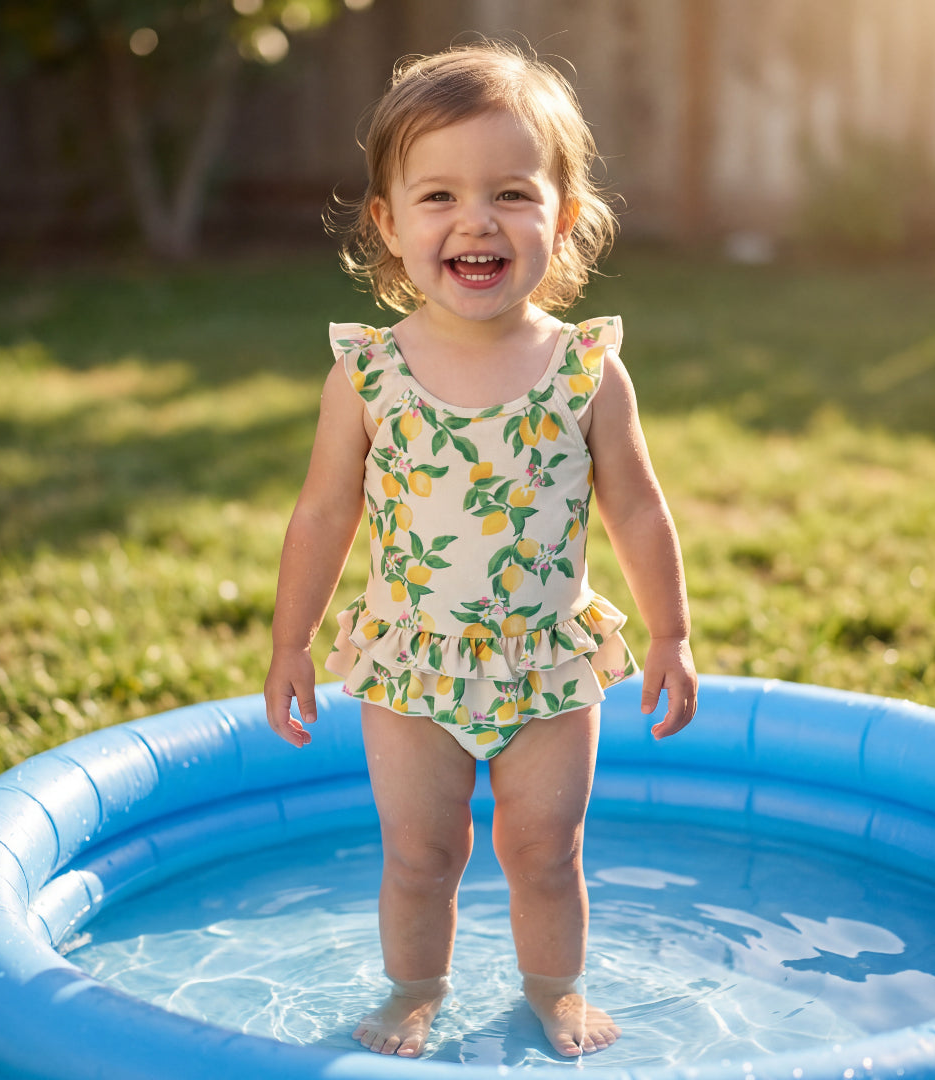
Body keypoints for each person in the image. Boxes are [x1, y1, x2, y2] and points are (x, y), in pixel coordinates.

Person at [264, 40, 698, 1060]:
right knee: (422, 854)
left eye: (512, 192)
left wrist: (671, 632)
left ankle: (553, 991)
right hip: (410, 662)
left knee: (546, 851)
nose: (477, 221)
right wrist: (293, 641)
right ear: (388, 223)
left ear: (566, 214)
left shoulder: (586, 369)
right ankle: (416, 990)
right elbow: (323, 514)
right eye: (440, 196)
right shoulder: (369, 376)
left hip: (549, 659)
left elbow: (637, 509)